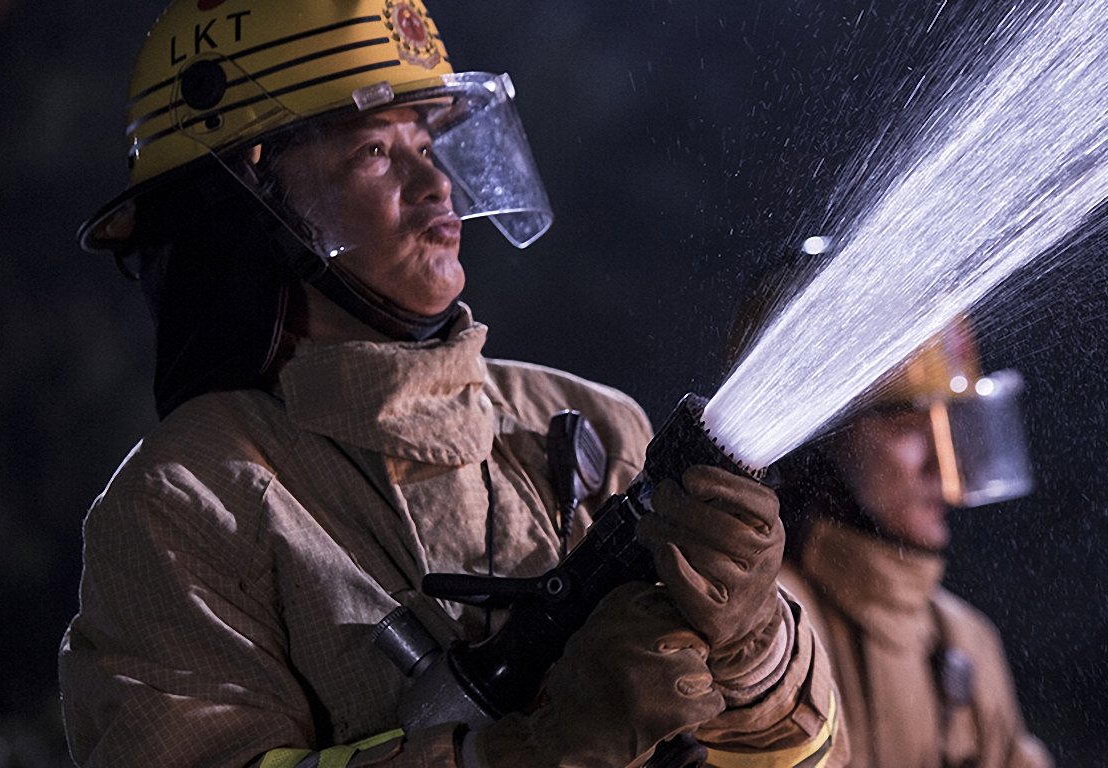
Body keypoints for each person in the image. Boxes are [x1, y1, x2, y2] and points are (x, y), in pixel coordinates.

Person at [57, 2, 841, 767]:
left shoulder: (592, 424)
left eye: (429, 142)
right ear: (244, 212)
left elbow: (821, 759)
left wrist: (755, 648)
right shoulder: (186, 503)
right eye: (374, 151)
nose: (437, 186)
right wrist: (531, 751)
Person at [768, 310, 1053, 768]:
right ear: (817, 439)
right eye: (911, 427)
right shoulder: (763, 629)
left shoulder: (966, 640)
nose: (946, 466)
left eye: (954, 427)